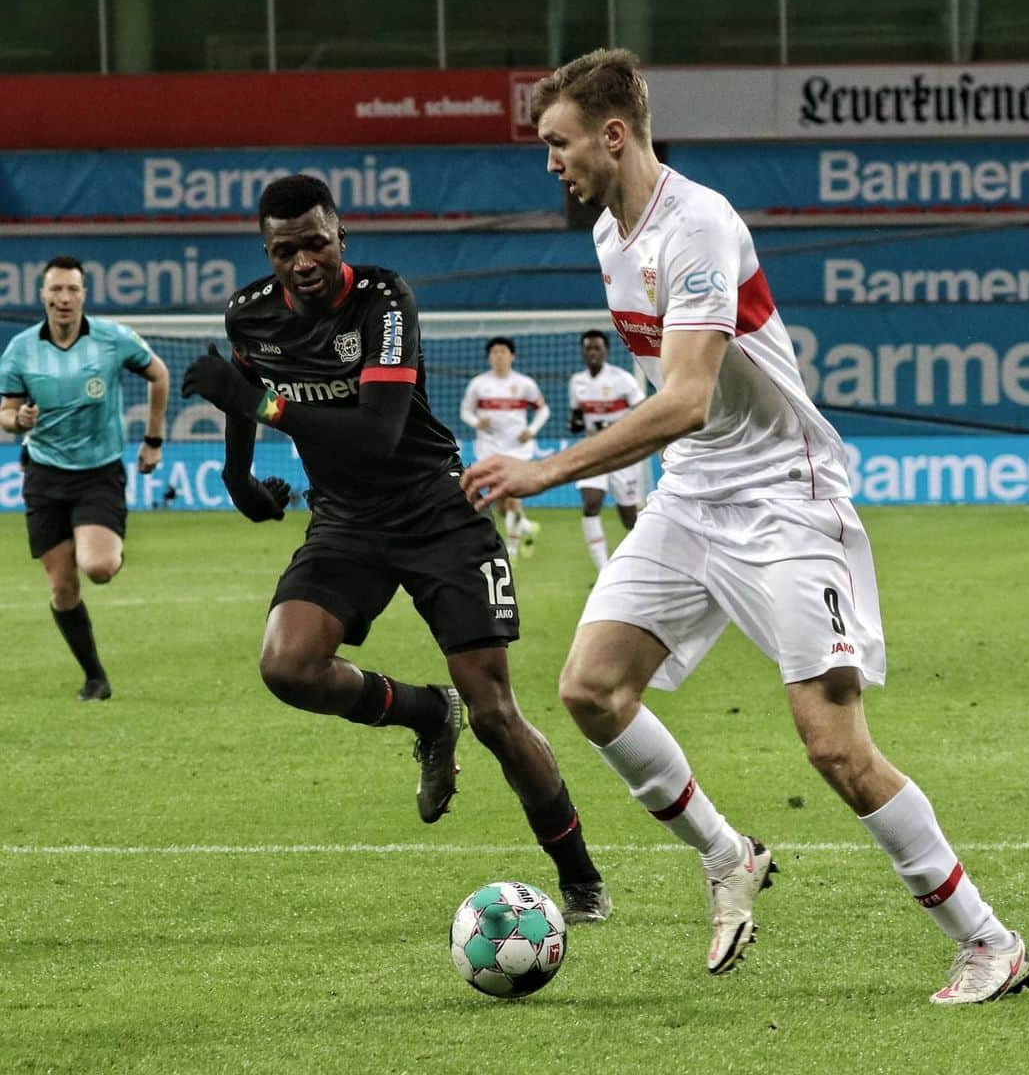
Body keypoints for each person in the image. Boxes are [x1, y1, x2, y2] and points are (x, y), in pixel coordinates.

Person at [462, 48, 1029, 1003]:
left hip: (783, 495)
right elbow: (686, 419)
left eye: (557, 142)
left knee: (834, 746)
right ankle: (728, 856)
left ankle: (988, 940)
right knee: (592, 689)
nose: (548, 162)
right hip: (695, 492)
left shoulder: (700, 226)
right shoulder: (610, 234)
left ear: (612, 133)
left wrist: (546, 468)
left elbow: (684, 397)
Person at [179, 174, 610, 924]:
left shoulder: (383, 300)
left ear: (341, 235)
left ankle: (580, 878)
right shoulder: (249, 316)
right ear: (268, 252)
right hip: (346, 520)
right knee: (288, 665)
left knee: (497, 714)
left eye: (316, 241)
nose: (304, 260)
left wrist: (256, 403)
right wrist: (238, 475)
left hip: (436, 508)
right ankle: (421, 714)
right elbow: (242, 386)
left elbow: (374, 433)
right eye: (286, 249)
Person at [0, 255, 169, 700]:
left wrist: (153, 439)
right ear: (42, 295)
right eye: (55, 289)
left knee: (99, 567)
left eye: (72, 289)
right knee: (62, 587)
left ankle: (102, 542)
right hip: (44, 474)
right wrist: (21, 421)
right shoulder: (20, 349)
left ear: (83, 296)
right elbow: (6, 413)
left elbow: (159, 373)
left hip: (98, 473)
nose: (63, 298)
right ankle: (95, 678)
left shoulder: (112, 340)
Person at [459, 337, 547, 560]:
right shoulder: (478, 384)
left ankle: (513, 547)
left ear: (512, 356)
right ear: (489, 357)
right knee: (500, 504)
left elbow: (543, 410)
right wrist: (476, 423)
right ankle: (526, 526)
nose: (498, 355)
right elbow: (465, 411)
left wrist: (532, 429)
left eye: (503, 351)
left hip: (518, 449)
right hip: (489, 449)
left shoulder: (525, 384)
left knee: (512, 496)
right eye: (494, 352)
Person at [567, 329, 645, 573]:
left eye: (597, 348)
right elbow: (576, 418)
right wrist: (576, 423)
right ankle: (604, 572)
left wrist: (614, 426)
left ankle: (646, 563)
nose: (592, 352)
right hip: (594, 450)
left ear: (605, 351)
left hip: (622, 452)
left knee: (629, 518)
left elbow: (643, 411)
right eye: (588, 348)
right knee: (591, 504)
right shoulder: (577, 382)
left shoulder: (622, 379)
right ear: (582, 351)